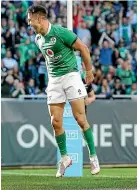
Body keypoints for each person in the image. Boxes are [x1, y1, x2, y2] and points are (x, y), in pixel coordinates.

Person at [27, 5, 100, 177]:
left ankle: (93, 157)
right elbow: (48, 59)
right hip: (54, 80)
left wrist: (88, 71)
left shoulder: (60, 32)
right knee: (55, 122)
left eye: (30, 19)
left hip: (71, 76)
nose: (28, 22)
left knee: (80, 119)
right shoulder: (38, 38)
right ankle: (65, 158)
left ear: (40, 18)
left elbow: (83, 48)